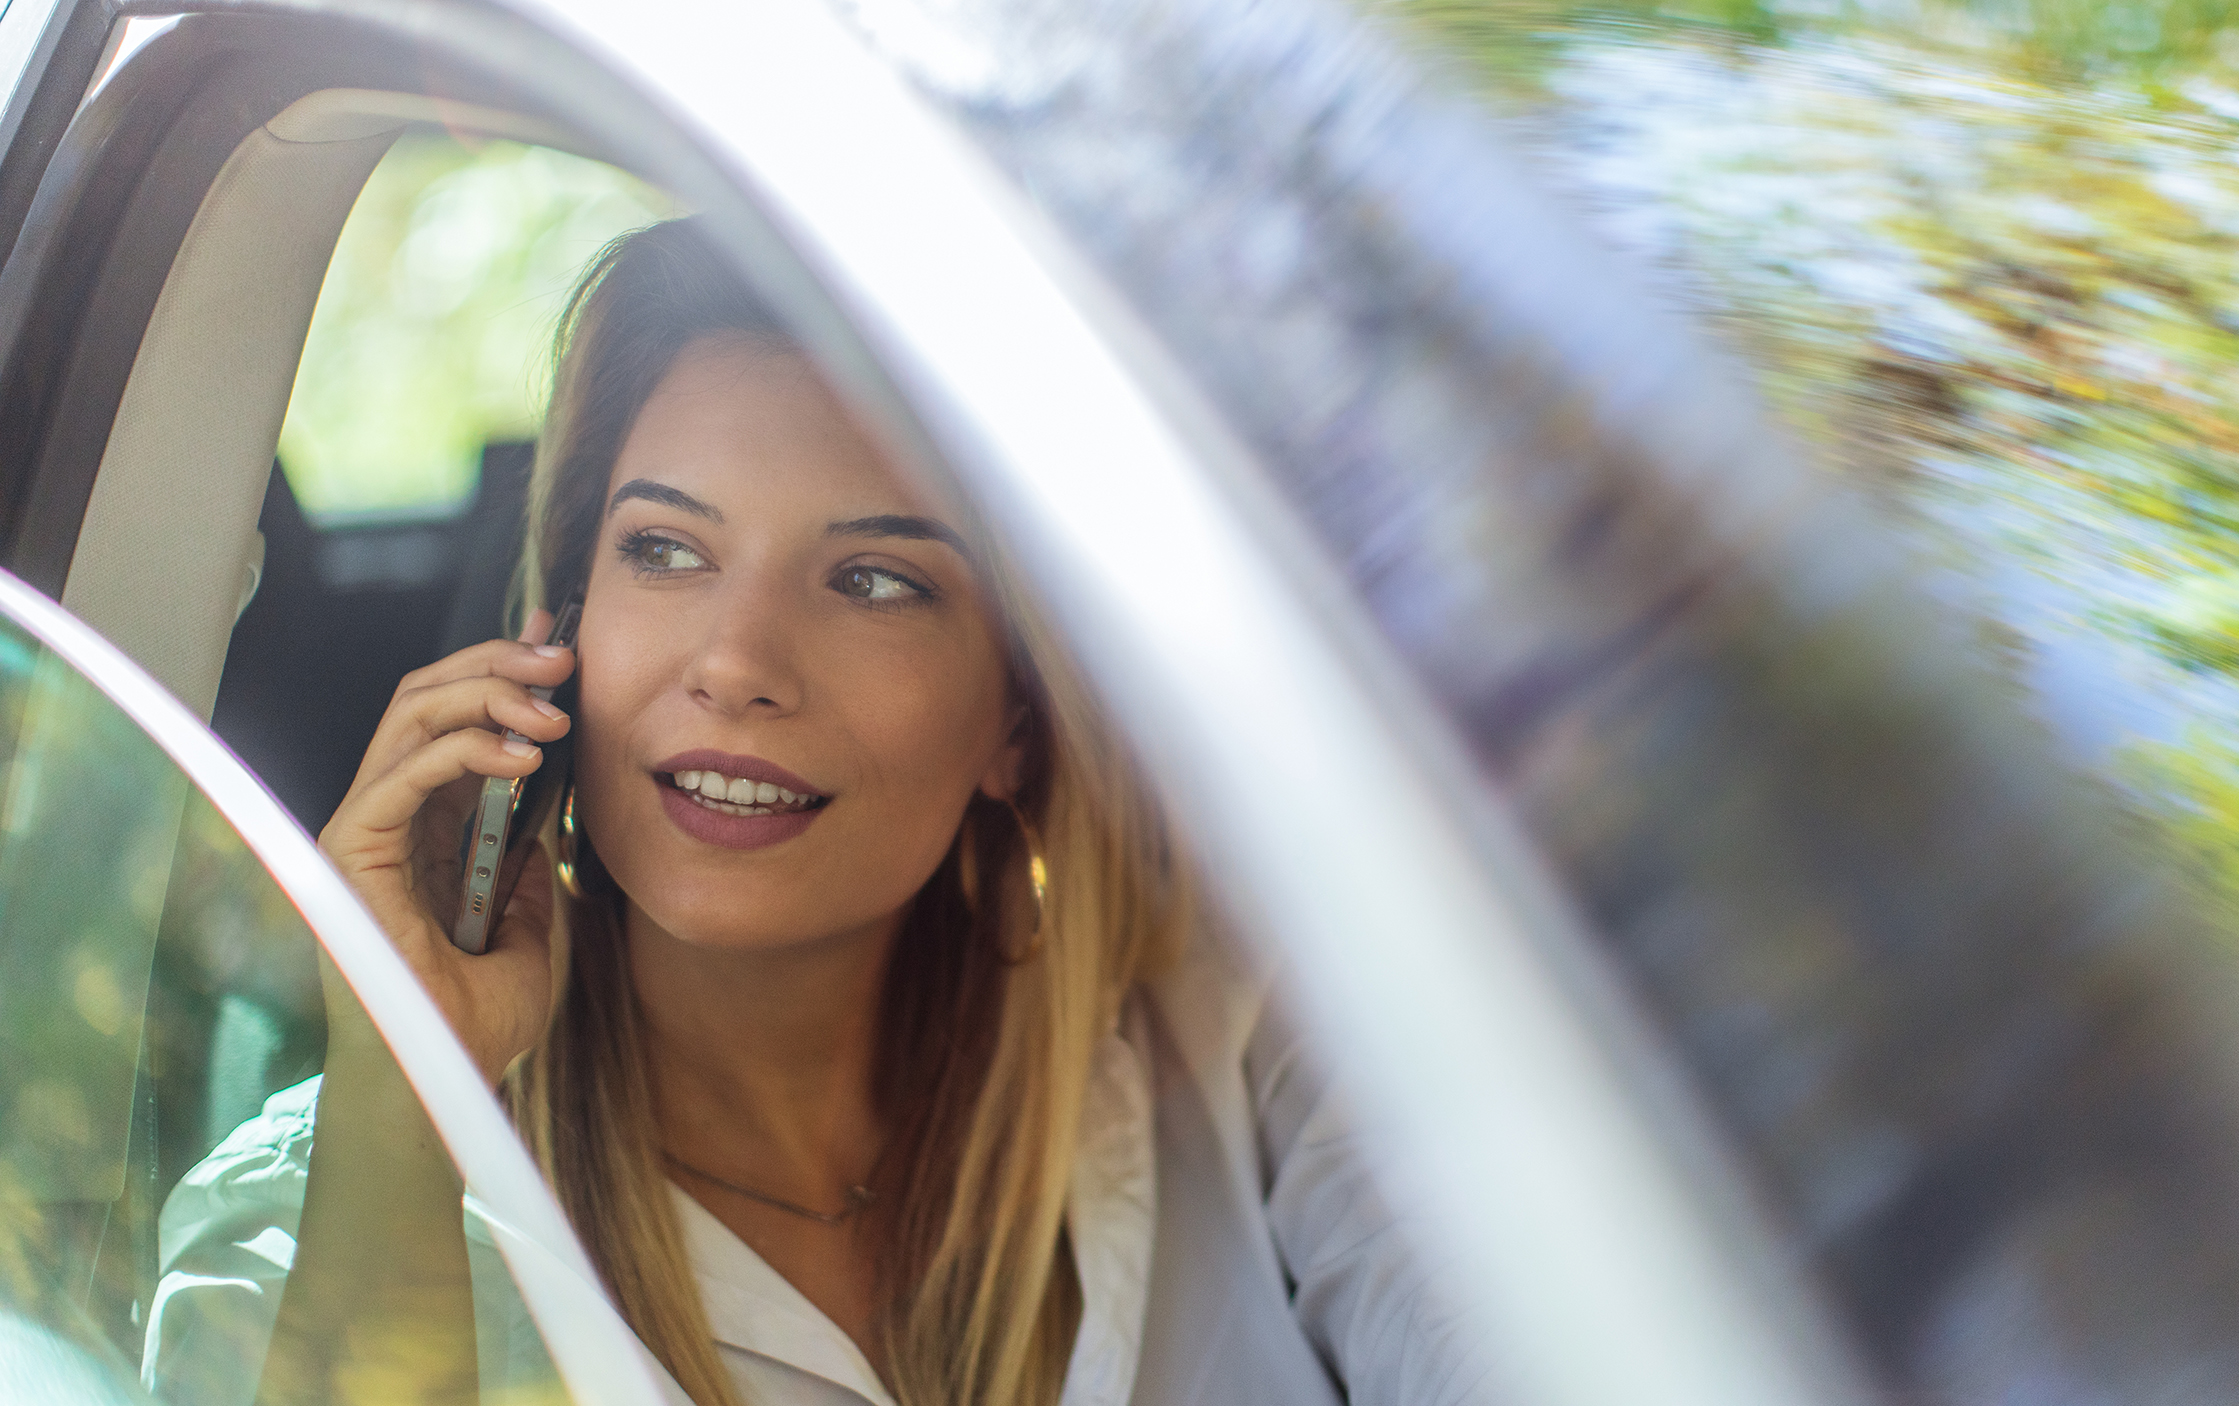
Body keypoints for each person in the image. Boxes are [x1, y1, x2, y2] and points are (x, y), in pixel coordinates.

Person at [141, 219, 1493, 1406]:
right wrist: (403, 1083)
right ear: (560, 635)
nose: (736, 662)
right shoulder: (306, 1215)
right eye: (665, 551)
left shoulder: (1226, 1055)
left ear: (1016, 723)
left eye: (875, 580)